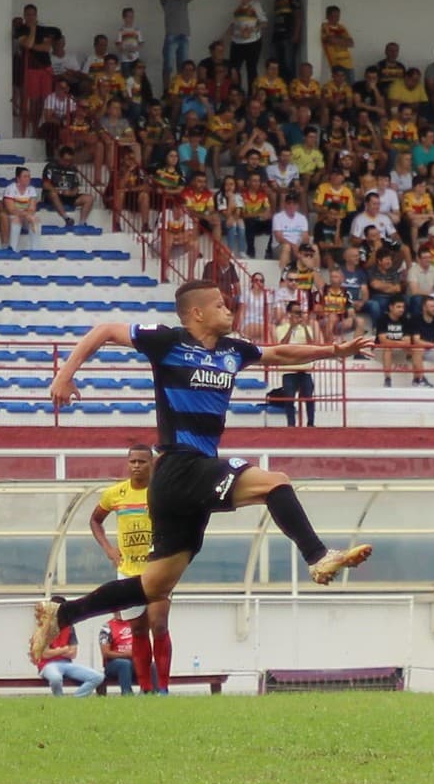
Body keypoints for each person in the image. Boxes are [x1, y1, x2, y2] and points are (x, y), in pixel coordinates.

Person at [31, 279, 375, 656]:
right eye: (220, 305)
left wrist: (335, 350)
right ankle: (318, 556)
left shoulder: (233, 349)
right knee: (275, 482)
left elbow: (281, 353)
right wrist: (64, 375)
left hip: (186, 479)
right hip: (179, 466)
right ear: (197, 313)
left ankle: (62, 615)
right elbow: (105, 330)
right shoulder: (167, 341)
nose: (229, 310)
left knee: (154, 587)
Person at [89, 445, 172, 695]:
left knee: (158, 624)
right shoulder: (115, 493)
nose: (137, 466)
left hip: (157, 568)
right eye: (133, 461)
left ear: (151, 464)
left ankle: (164, 689)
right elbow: (95, 520)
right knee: (137, 629)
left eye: (142, 462)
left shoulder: (162, 492)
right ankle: (146, 688)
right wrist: (109, 549)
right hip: (128, 571)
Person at [31, 599, 106, 697]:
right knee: (56, 678)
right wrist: (64, 650)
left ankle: (75, 699)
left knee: (98, 677)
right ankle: (59, 701)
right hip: (47, 665)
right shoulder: (42, 628)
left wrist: (54, 651)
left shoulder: (69, 628)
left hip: (66, 664)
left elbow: (73, 653)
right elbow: (44, 654)